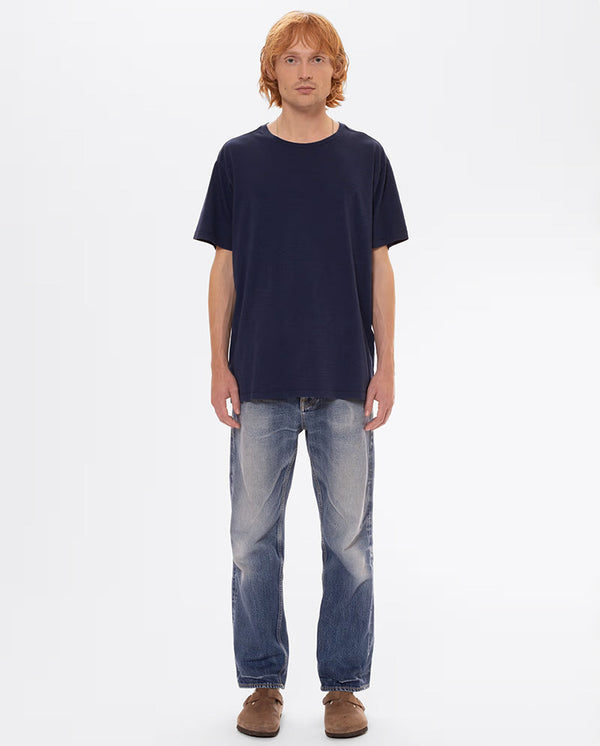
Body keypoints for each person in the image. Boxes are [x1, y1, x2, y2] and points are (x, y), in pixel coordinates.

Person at [193, 10, 409, 739]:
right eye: (291, 59)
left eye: (318, 59)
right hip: (260, 380)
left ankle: (343, 688)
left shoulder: (366, 158)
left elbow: (380, 266)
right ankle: (262, 684)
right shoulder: (238, 159)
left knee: (348, 544)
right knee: (253, 543)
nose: (305, 70)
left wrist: (386, 364)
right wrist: (218, 361)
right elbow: (223, 266)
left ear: (335, 70)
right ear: (272, 72)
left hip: (345, 377)